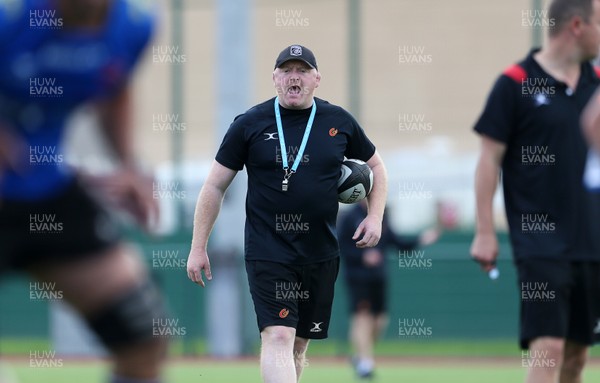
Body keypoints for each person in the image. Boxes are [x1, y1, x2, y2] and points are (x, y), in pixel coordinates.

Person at [186, 44, 388, 383]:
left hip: (320, 252)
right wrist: (198, 245)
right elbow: (214, 186)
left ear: (317, 79)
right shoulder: (249, 124)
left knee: (297, 344)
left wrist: (375, 216)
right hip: (269, 250)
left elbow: (377, 167)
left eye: (303, 70)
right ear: (275, 78)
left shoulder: (338, 121)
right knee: (278, 335)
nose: (294, 77)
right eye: (287, 70)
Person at [0, 1, 167, 382]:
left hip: (48, 191)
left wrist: (127, 166)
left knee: (143, 339)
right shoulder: (10, 15)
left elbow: (115, 87)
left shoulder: (134, 27)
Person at [470, 1, 600, 382]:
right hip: (540, 241)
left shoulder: (596, 83)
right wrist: (484, 231)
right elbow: (488, 160)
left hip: (592, 241)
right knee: (550, 348)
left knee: (577, 354)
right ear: (577, 24)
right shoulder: (514, 82)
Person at [338, 200, 441, 380]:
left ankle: (360, 356)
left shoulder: (381, 216)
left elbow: (397, 242)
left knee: (380, 322)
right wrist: (363, 256)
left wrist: (421, 240)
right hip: (358, 278)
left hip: (379, 278)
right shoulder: (349, 216)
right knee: (362, 318)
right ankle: (365, 363)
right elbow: (341, 246)